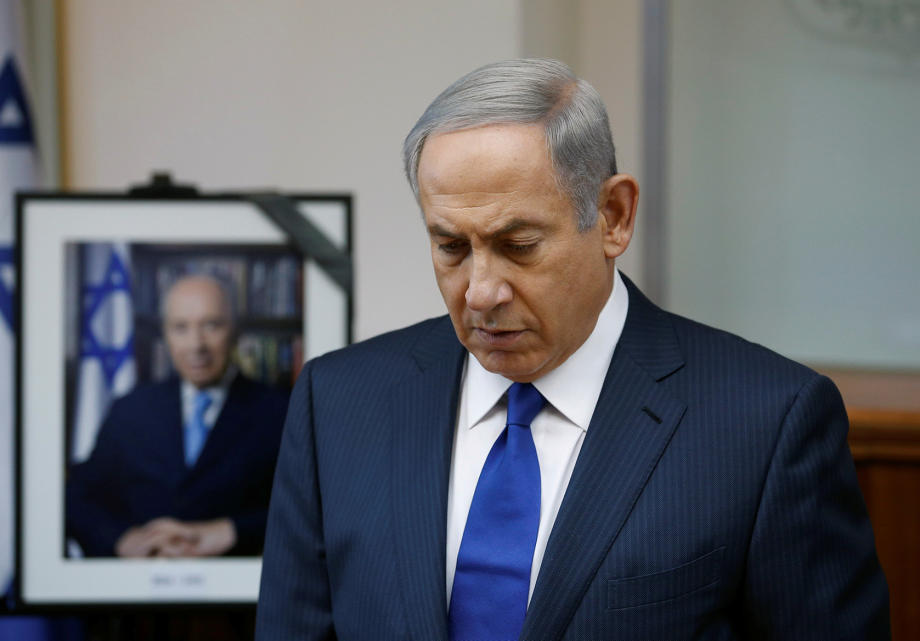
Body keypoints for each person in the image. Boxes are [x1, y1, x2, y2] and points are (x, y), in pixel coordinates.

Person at [255, 59, 889, 639]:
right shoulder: (336, 404)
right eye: (450, 246)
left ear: (613, 216)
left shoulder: (766, 422)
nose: (480, 291)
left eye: (519, 244)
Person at [66, 274, 289, 558]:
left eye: (211, 325)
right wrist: (120, 539)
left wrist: (233, 530)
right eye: (181, 328)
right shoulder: (131, 409)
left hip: (240, 592)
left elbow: (307, 509)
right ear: (165, 334)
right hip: (139, 589)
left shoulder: (280, 412)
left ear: (235, 330)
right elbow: (78, 497)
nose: (196, 345)